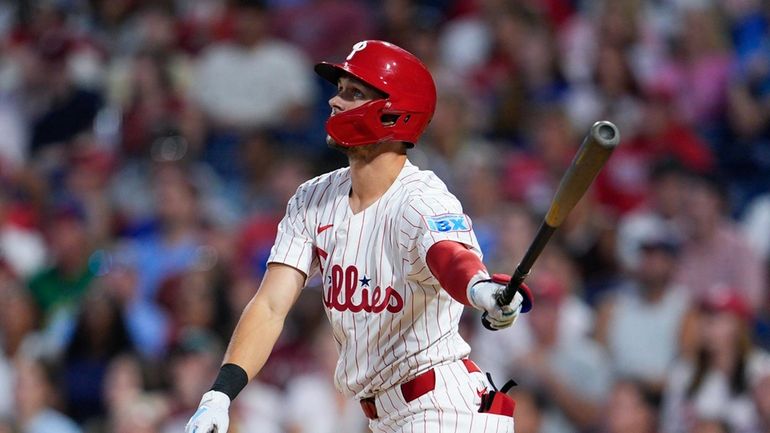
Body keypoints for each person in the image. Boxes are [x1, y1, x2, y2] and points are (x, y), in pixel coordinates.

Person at [185, 40, 533, 433]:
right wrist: (220, 393)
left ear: (393, 113)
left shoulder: (422, 197)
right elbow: (269, 306)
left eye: (354, 94)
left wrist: (478, 289)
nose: (335, 102)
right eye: (339, 91)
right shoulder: (312, 198)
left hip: (443, 408)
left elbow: (449, 256)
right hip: (384, 417)